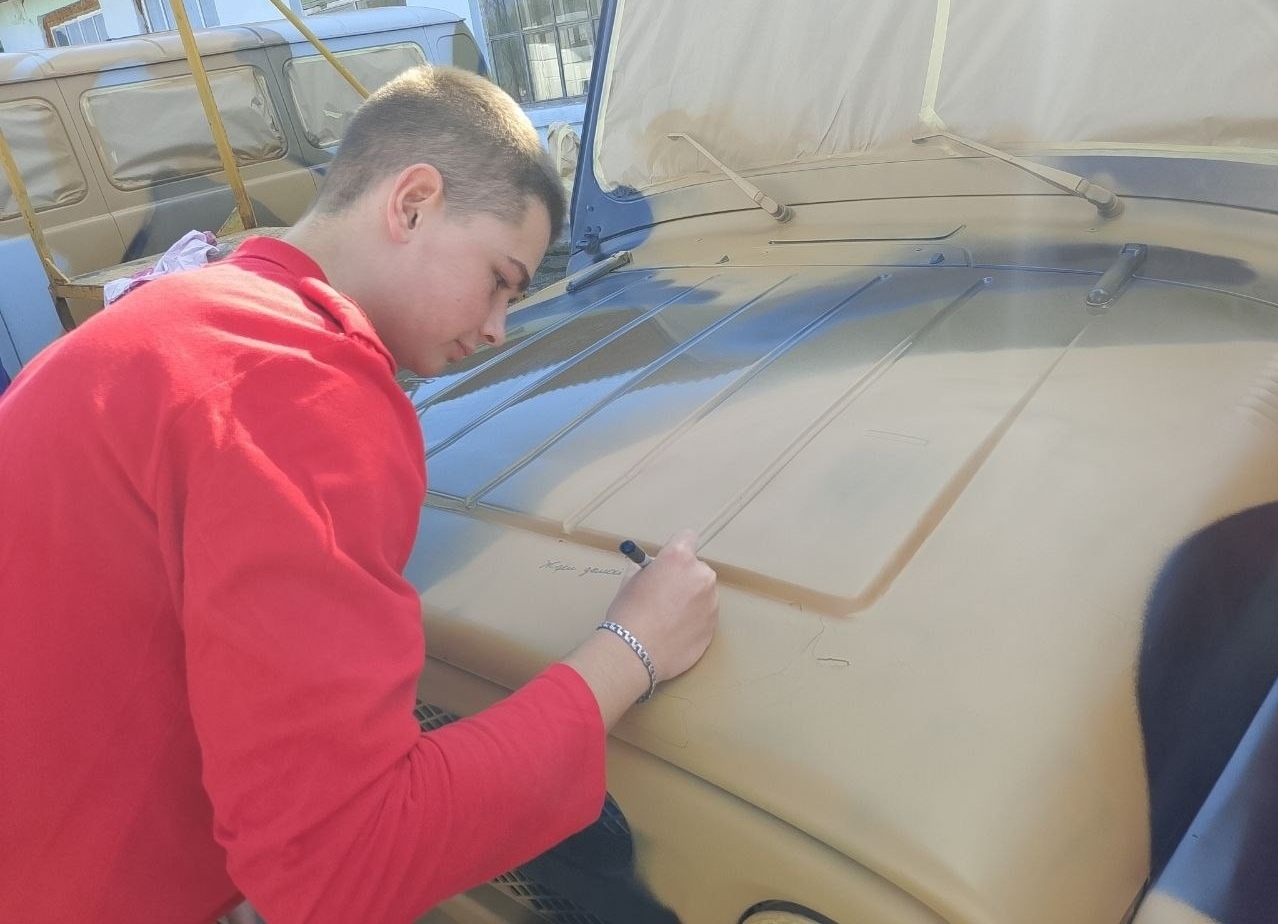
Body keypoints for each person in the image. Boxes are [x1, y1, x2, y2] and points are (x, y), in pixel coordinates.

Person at [0, 66, 718, 924]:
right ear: (412, 203)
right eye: (500, 278)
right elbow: (340, 867)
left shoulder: (176, 319)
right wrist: (632, 650)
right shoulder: (296, 384)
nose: (498, 328)